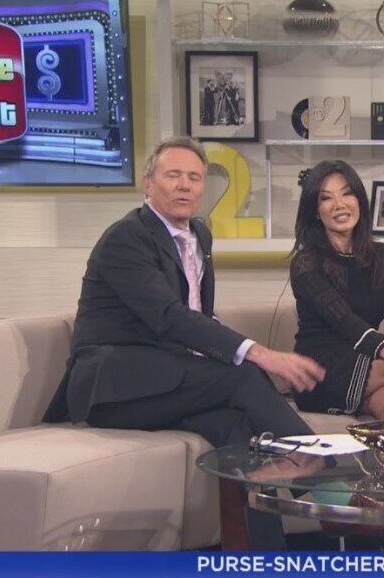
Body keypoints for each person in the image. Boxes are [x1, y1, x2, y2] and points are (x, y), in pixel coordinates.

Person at [42, 135, 326, 550]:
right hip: (116, 387)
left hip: (166, 381)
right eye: (173, 175)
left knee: (234, 427)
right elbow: (169, 317)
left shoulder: (199, 235)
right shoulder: (127, 238)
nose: (185, 186)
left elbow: (198, 316)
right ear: (148, 183)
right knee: (243, 376)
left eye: (194, 177)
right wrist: (262, 354)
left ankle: (262, 561)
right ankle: (329, 488)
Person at [289, 159, 384, 423]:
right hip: (320, 371)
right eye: (326, 198)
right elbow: (345, 321)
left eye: (347, 194)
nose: (339, 204)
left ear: (359, 200)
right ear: (315, 211)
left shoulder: (383, 257)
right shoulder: (306, 263)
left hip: (367, 360)